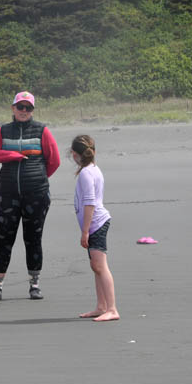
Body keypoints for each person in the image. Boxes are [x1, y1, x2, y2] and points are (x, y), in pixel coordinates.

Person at [0, 91, 60, 301]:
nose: (24, 111)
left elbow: (54, 161)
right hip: (7, 195)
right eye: (20, 107)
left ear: (33, 110)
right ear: (13, 108)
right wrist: (10, 155)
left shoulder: (42, 130)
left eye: (28, 108)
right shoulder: (3, 131)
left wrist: (37, 179)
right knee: (4, 239)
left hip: (37, 195)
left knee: (33, 239)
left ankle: (34, 284)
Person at [71, 134, 119, 322]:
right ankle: (101, 306)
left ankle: (112, 309)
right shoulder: (92, 169)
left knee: (100, 266)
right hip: (95, 223)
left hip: (96, 223)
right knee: (96, 266)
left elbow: (90, 202)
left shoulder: (86, 173)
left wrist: (85, 231)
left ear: (74, 154)